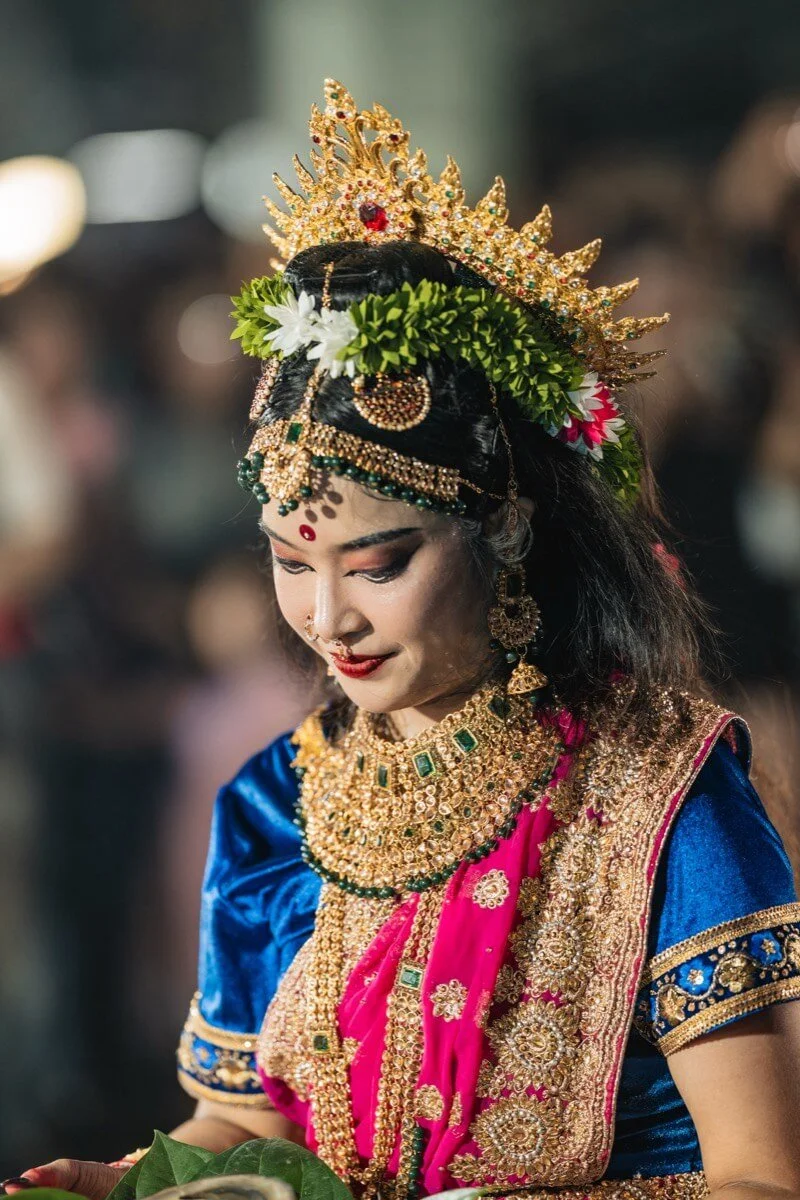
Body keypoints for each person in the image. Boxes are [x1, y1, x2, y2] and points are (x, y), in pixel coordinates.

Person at [6, 79, 800, 1200]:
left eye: (377, 565)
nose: (327, 618)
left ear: (504, 529)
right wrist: (140, 1184)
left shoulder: (662, 799)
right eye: (291, 561)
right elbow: (238, 1124)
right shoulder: (273, 803)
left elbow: (763, 1180)